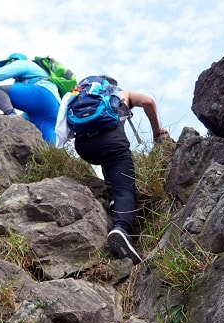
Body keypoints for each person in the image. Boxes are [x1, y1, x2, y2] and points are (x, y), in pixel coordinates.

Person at [55, 75, 171, 265]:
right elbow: (148, 102)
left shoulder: (78, 95)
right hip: (111, 141)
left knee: (109, 163)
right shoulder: (119, 92)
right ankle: (122, 228)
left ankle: (113, 201)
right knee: (124, 185)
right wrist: (156, 131)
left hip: (84, 147)